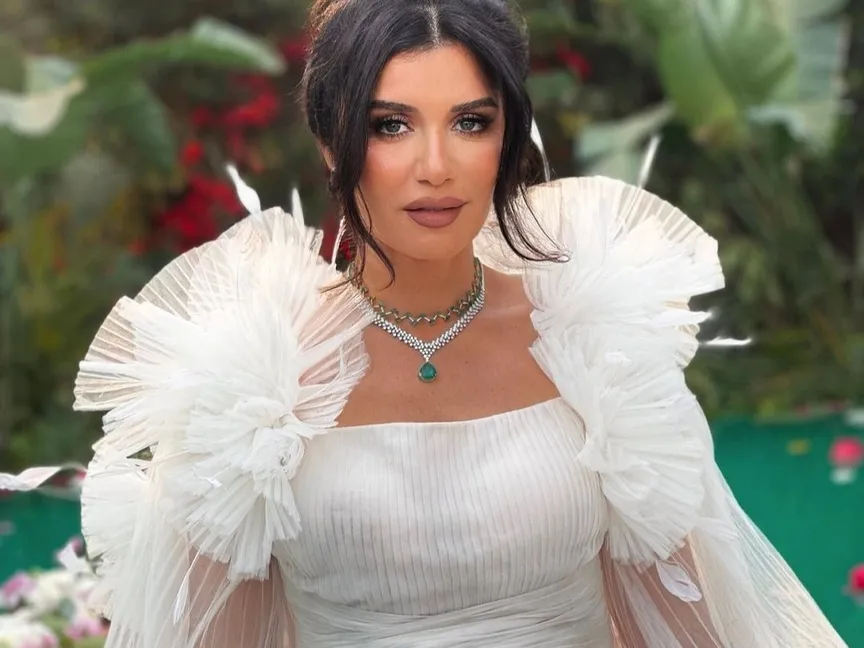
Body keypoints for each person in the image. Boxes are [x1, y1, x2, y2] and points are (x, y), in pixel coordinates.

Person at [2, 0, 848, 646]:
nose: (435, 166)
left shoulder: (595, 344)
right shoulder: (250, 378)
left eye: (470, 122)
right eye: (390, 125)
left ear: (507, 137)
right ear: (331, 141)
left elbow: (682, 619)